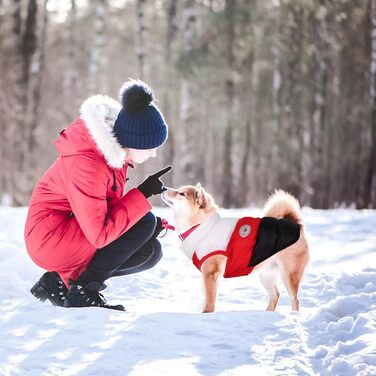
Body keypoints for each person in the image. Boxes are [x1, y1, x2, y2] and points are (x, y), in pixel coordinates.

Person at [25, 79, 171, 310]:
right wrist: (141, 197)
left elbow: (104, 210)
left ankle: (59, 282)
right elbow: (99, 235)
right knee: (144, 222)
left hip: (69, 231)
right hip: (50, 238)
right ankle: (82, 291)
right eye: (150, 146)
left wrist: (142, 222)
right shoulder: (89, 164)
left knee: (149, 251)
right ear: (133, 140)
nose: (153, 154)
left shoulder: (112, 156)